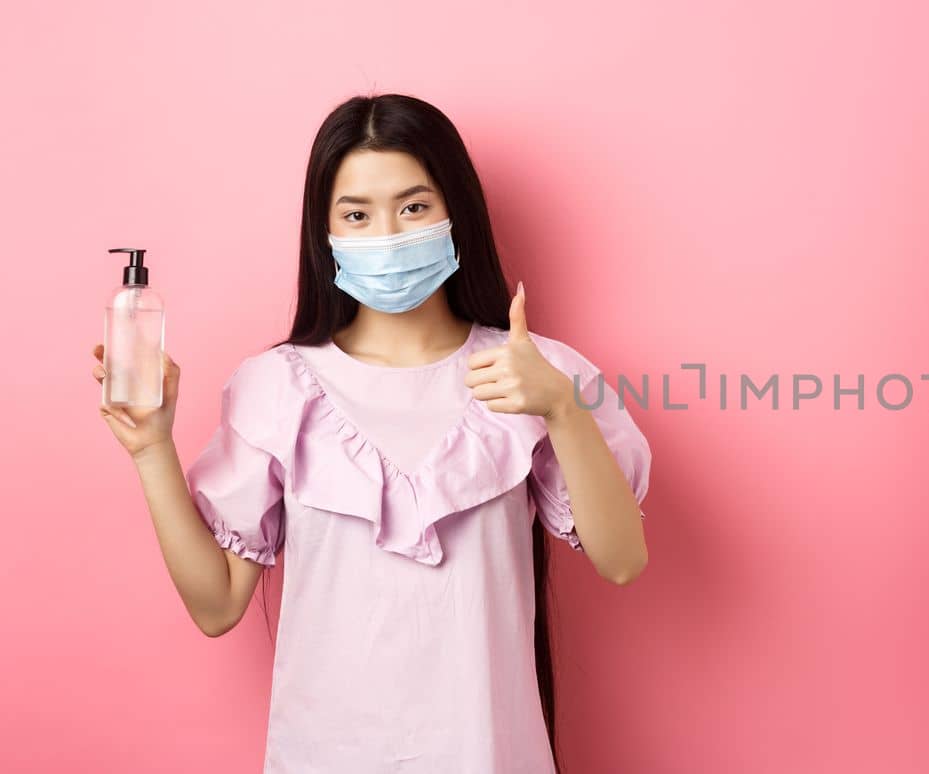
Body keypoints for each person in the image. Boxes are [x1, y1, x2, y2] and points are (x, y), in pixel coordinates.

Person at [89, 93, 651, 773]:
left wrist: (563, 408)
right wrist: (151, 449)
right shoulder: (276, 387)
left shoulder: (539, 374)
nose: (387, 234)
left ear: (456, 214)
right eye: (357, 214)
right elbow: (216, 606)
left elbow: (622, 560)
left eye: (413, 207)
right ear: (324, 233)